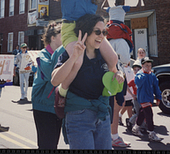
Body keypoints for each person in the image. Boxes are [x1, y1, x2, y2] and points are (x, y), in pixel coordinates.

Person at [48, 0, 119, 116]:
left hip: (91, 28)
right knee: (77, 61)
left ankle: (109, 86)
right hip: (72, 29)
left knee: (113, 58)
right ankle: (62, 93)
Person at [51, 14, 124, 150]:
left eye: (104, 32)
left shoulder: (104, 56)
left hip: (102, 115)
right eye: (97, 32)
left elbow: (116, 72)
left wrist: (119, 75)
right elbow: (55, 80)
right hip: (78, 115)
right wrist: (73, 57)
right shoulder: (70, 51)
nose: (102, 36)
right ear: (86, 32)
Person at [32, 23, 64, 149]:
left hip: (57, 106)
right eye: (64, 36)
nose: (67, 38)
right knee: (47, 145)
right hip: (43, 107)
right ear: (53, 38)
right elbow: (52, 74)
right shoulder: (42, 55)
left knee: (53, 144)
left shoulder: (63, 55)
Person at [102, 0, 143, 67]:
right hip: (119, 27)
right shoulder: (123, 7)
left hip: (110, 27)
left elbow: (102, 8)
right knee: (127, 38)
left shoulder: (110, 8)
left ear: (114, 3)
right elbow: (138, 7)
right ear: (123, 3)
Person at [132, 57, 163, 142]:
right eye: (146, 65)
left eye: (150, 65)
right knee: (149, 114)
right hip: (142, 98)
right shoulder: (139, 74)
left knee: (142, 112)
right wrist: (144, 73)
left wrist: (158, 97)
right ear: (142, 66)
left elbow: (156, 87)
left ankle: (136, 128)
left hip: (149, 97)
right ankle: (151, 133)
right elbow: (138, 82)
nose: (148, 67)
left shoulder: (152, 75)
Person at [126, 60, 142, 131]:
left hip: (142, 97)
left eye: (138, 69)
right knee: (138, 112)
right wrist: (132, 95)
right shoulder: (133, 80)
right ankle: (130, 121)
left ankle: (142, 125)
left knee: (143, 112)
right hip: (136, 97)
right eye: (135, 70)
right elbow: (127, 86)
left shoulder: (142, 79)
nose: (136, 71)